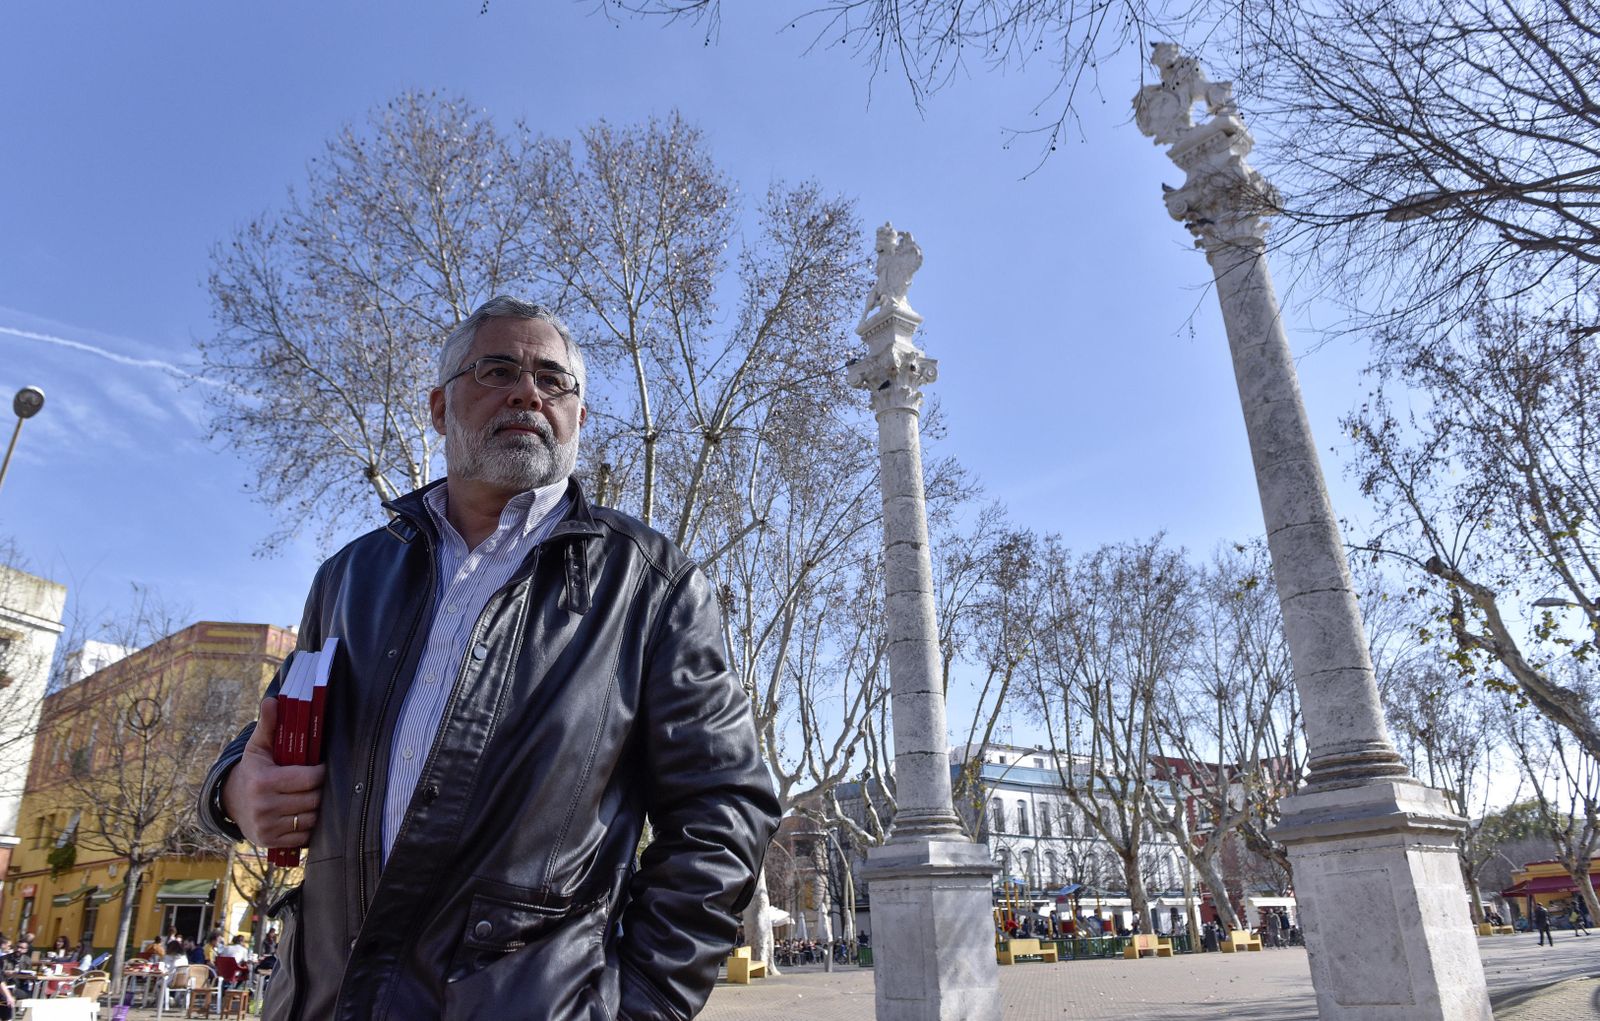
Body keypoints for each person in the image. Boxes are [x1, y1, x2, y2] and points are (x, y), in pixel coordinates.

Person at [198, 297, 780, 1021]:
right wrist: (233, 790)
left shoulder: (653, 587)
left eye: (554, 380)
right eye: (498, 368)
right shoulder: (349, 579)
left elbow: (724, 810)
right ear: (440, 408)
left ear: (580, 418)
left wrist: (640, 1007)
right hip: (323, 1001)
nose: (528, 392)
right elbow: (270, 738)